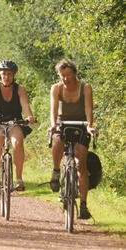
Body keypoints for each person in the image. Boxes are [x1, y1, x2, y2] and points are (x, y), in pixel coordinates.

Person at [0, 60, 36, 195]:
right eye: (4, 73)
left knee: (17, 142)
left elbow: (25, 105)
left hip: (14, 121)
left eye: (9, 74)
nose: (6, 77)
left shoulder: (19, 89)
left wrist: (30, 116)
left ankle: (19, 178)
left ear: (14, 75)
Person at [49, 59, 97, 219]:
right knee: (57, 141)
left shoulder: (85, 87)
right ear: (59, 76)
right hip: (63, 123)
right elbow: (54, 109)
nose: (66, 78)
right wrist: (53, 125)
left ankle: (83, 205)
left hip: (81, 124)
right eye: (62, 75)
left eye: (69, 74)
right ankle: (56, 172)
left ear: (75, 74)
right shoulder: (56, 88)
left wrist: (89, 126)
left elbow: (89, 109)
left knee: (80, 164)